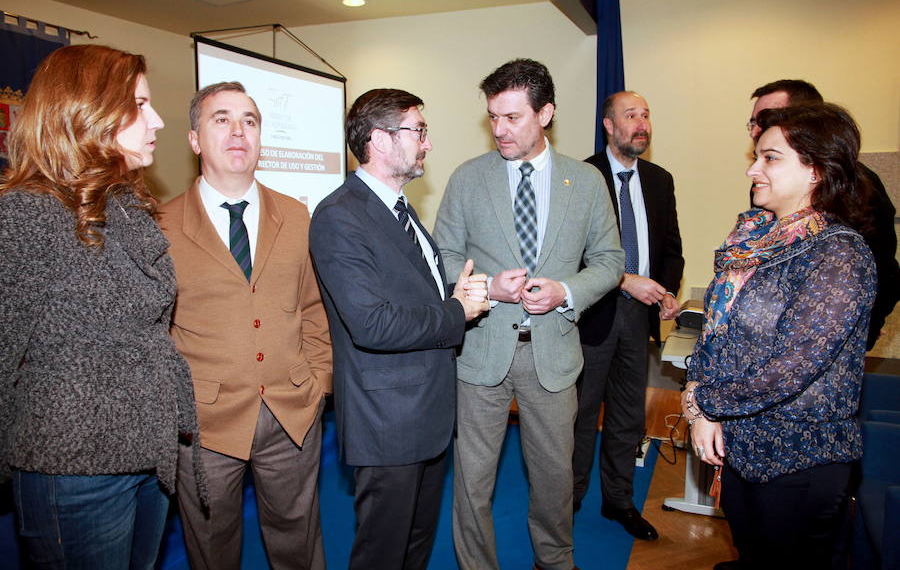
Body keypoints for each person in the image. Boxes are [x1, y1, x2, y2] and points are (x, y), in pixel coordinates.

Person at [0, 44, 201, 568]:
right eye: (139, 104)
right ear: (87, 113)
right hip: (71, 468)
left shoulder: (128, 207)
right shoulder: (26, 213)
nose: (156, 119)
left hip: (146, 457)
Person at [433, 59, 624, 570]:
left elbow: (610, 261)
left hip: (553, 356)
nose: (500, 129)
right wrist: (486, 287)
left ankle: (554, 562)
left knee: (554, 480)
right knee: (472, 481)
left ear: (546, 113)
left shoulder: (585, 182)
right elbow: (443, 255)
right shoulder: (467, 178)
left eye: (513, 117)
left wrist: (564, 289)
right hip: (480, 355)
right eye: (493, 117)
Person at [683, 103, 876, 570]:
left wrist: (706, 403)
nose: (753, 169)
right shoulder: (758, 240)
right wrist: (699, 400)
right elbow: (717, 332)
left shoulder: (838, 255)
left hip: (800, 460)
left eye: (770, 158)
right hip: (741, 446)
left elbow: (791, 368)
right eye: (756, 156)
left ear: (815, 169)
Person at [309, 88, 488, 570]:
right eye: (419, 130)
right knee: (382, 554)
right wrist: (458, 312)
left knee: (413, 548)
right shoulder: (340, 216)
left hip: (423, 413)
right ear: (380, 140)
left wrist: (465, 292)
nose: (427, 143)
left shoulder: (399, 209)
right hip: (387, 420)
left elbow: (414, 296)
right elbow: (372, 323)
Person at [158, 82, 332, 570]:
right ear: (194, 140)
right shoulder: (162, 224)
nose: (239, 131)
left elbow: (314, 309)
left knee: (299, 540)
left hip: (292, 410)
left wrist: (318, 384)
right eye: (221, 119)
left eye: (250, 120)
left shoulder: (296, 215)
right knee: (213, 548)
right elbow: (155, 331)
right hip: (205, 423)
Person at [572, 91, 683, 540]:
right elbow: (568, 255)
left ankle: (618, 501)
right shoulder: (580, 176)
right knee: (578, 416)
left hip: (640, 320)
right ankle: (569, 498)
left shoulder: (660, 179)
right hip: (591, 317)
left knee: (628, 417)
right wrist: (623, 279)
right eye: (630, 115)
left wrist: (668, 290)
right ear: (608, 125)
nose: (641, 124)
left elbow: (671, 245)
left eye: (646, 115)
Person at [747, 79, 898, 350]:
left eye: (767, 119)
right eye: (755, 122)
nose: (757, 129)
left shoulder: (860, 194)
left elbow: (883, 271)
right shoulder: (765, 191)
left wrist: (862, 333)